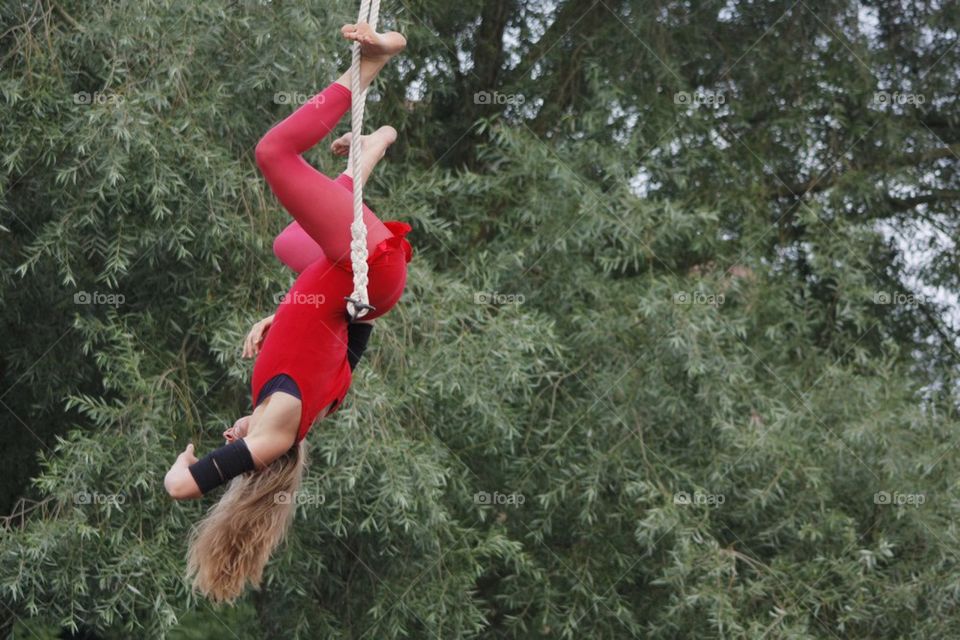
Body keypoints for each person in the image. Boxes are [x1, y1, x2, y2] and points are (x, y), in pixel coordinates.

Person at [162, 21, 411, 603]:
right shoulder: (279, 433)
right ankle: (369, 66)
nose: (229, 435)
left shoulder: (304, 401)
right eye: (233, 446)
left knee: (288, 243)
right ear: (255, 466)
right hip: (364, 272)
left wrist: (285, 317)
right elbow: (183, 487)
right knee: (273, 152)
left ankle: (370, 150)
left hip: (356, 283)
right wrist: (181, 470)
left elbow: (348, 334)